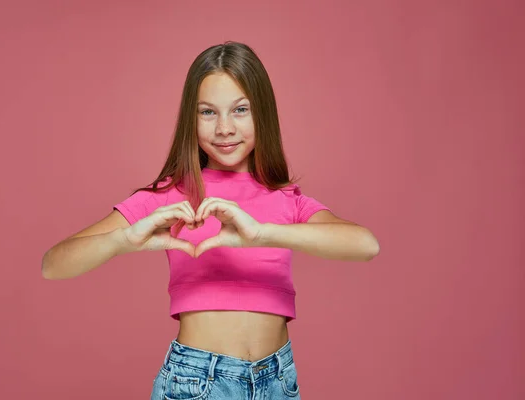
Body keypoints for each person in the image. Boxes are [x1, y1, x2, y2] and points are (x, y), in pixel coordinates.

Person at [41, 41, 380, 400]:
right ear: (192, 117)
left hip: (278, 381)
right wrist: (123, 240)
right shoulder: (169, 195)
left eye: (240, 110)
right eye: (208, 112)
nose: (224, 128)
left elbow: (365, 245)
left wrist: (262, 233)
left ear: (262, 113)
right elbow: (54, 264)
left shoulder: (285, 198)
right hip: (198, 383)